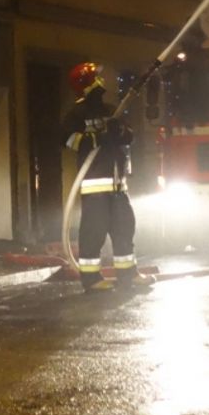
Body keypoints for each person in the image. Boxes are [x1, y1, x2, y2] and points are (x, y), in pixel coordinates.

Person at [61, 62, 154, 292]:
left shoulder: (111, 110)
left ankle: (128, 274)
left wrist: (120, 132)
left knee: (125, 229)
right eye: (96, 78)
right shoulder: (77, 114)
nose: (101, 82)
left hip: (118, 186)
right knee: (94, 233)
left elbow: (129, 137)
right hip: (95, 188)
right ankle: (91, 280)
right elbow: (67, 139)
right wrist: (95, 139)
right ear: (86, 83)